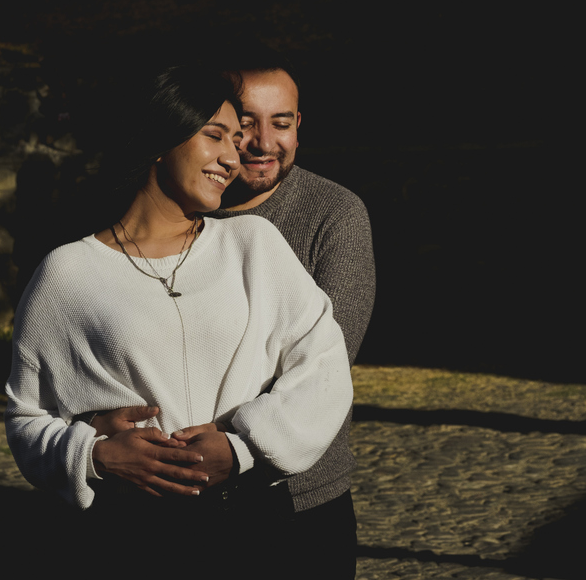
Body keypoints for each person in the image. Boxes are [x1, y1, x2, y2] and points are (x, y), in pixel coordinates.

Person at [4, 66, 353, 569]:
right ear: (158, 140)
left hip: (258, 526)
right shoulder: (68, 273)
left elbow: (324, 366)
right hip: (128, 540)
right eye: (215, 136)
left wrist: (241, 448)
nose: (233, 158)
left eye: (236, 141)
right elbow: (26, 416)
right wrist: (93, 456)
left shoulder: (252, 244)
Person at [94, 51, 375, 578]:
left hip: (298, 496)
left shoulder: (333, 214)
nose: (264, 143)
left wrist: (238, 444)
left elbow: (331, 357)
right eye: (244, 124)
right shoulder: (163, 214)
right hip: (166, 502)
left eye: (282, 123)